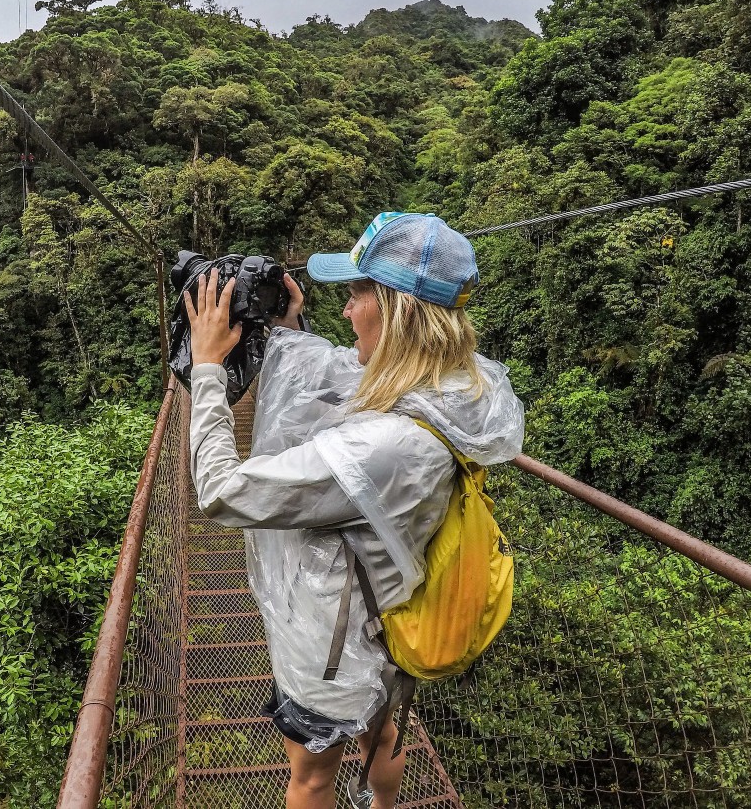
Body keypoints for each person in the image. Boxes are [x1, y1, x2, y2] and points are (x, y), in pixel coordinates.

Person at [184, 212, 525, 809]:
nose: (347, 311)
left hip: (332, 648)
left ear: (396, 310)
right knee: (384, 733)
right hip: (388, 623)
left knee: (312, 777)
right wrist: (290, 328)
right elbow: (342, 368)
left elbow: (218, 491)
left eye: (358, 293)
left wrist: (208, 366)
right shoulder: (454, 388)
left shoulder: (385, 446)